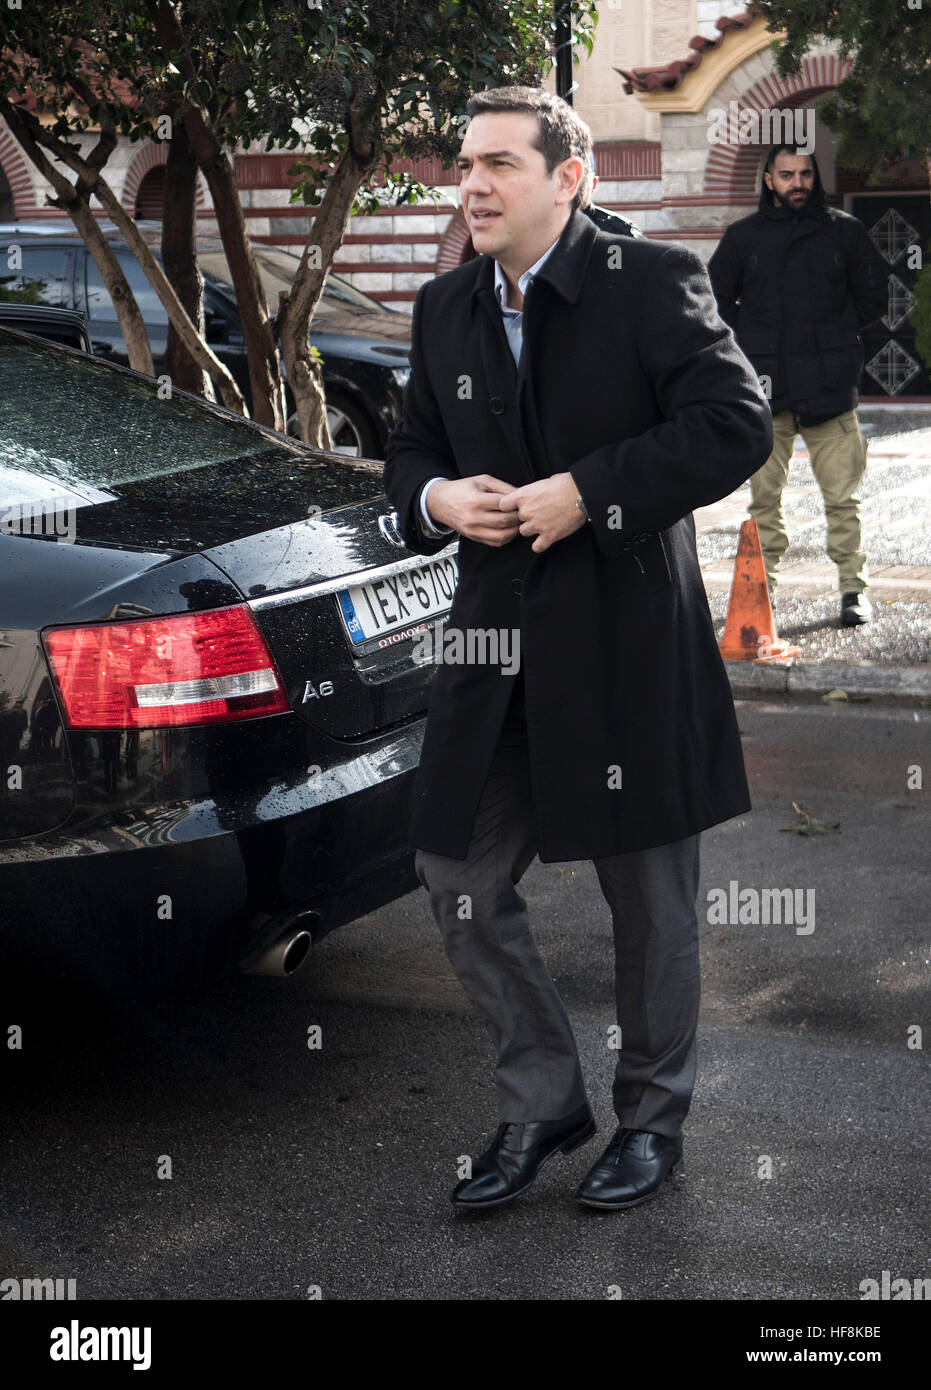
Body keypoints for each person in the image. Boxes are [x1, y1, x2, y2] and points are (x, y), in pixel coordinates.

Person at [383, 86, 772, 1212]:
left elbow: (733, 422)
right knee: (453, 875)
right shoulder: (443, 305)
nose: (473, 183)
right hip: (491, 649)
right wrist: (440, 497)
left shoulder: (650, 283)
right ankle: (543, 1097)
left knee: (648, 901)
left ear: (570, 178)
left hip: (622, 649)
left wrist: (587, 494)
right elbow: (410, 455)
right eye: (464, 164)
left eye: (501, 162)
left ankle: (652, 1121)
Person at [708, 144, 888, 625]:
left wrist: (834, 333)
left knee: (843, 500)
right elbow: (714, 299)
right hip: (765, 391)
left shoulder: (844, 232)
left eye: (805, 174)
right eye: (786, 175)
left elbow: (875, 296)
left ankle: (854, 591)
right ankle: (761, 598)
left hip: (830, 389)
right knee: (764, 501)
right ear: (769, 180)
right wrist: (752, 338)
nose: (797, 183)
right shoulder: (743, 237)